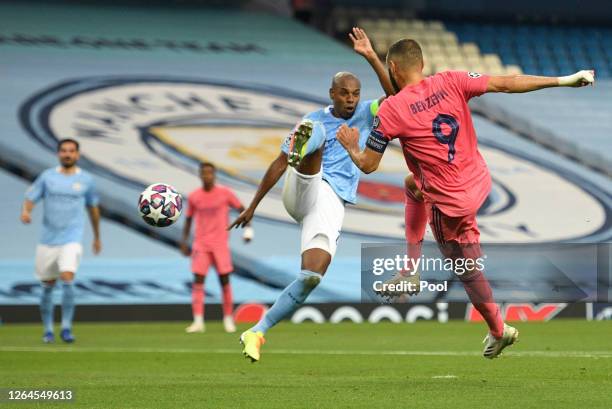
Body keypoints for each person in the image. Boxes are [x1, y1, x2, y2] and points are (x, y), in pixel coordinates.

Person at [336, 37, 595, 359]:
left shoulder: (391, 111)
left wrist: (350, 145)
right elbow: (507, 83)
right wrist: (563, 80)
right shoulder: (451, 80)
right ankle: (409, 269)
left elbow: (369, 165)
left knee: (466, 268)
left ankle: (499, 331)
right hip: (479, 182)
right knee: (413, 184)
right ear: (423, 65)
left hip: (450, 203)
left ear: (393, 68)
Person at [229, 27, 395, 362]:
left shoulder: (366, 112)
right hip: (303, 188)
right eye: (344, 93)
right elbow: (277, 164)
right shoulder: (314, 117)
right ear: (332, 93)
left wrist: (372, 56)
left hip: (329, 203)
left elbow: (396, 98)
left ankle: (257, 331)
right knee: (315, 133)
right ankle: (306, 149)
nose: (351, 98)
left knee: (311, 277)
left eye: (355, 93)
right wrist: (253, 205)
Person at [20, 138, 101, 343]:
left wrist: (97, 236)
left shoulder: (86, 180)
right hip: (48, 240)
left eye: (71, 151)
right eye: (64, 151)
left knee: (67, 278)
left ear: (77, 154)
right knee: (48, 284)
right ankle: (48, 330)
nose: (67, 154)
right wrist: (26, 212)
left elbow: (93, 208)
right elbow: (31, 198)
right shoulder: (48, 177)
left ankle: (66, 328)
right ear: (58, 154)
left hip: (71, 238)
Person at [181, 162, 253, 334]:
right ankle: (198, 321)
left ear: (214, 175)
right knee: (198, 281)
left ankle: (228, 319)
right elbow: (189, 219)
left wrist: (249, 229)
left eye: (210, 173)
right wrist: (184, 241)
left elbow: (243, 210)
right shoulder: (194, 196)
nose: (207, 176)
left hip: (220, 243)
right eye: (204, 173)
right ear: (200, 175)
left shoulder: (225, 193)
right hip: (201, 244)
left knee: (224, 281)